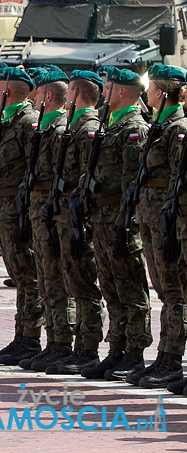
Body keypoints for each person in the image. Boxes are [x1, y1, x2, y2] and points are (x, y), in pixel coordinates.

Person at [77, 68, 153, 381]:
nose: (104, 93)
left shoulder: (133, 127)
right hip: (102, 217)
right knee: (111, 287)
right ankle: (117, 349)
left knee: (130, 288)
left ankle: (135, 353)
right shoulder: (112, 125)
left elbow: (131, 184)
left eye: (109, 88)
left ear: (122, 92)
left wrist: (125, 225)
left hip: (119, 219)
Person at [45, 70, 106, 375]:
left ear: (77, 94)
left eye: (69, 92)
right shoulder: (74, 126)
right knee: (71, 280)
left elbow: (86, 174)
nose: (65, 98)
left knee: (84, 283)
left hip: (78, 214)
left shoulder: (88, 127)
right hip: (65, 210)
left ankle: (87, 347)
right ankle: (73, 346)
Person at [129, 65, 187, 388]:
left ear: (164, 93)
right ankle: (165, 355)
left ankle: (172, 358)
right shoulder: (159, 126)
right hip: (154, 216)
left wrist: (171, 218)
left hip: (170, 219)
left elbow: (177, 179)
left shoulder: (178, 127)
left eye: (151, 88)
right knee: (165, 289)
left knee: (176, 291)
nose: (146, 93)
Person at [0, 68, 44, 367]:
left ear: (8, 93)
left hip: (18, 207)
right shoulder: (8, 121)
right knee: (19, 274)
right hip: (4, 205)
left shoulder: (27, 122)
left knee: (28, 275)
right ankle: (22, 335)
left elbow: (34, 168)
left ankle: (30, 337)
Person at [22, 69, 77, 371]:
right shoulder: (45, 126)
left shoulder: (58, 128)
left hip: (53, 209)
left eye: (37, 92)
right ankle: (52, 340)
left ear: (49, 95)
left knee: (57, 279)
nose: (33, 98)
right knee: (45, 279)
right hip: (40, 208)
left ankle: (62, 343)